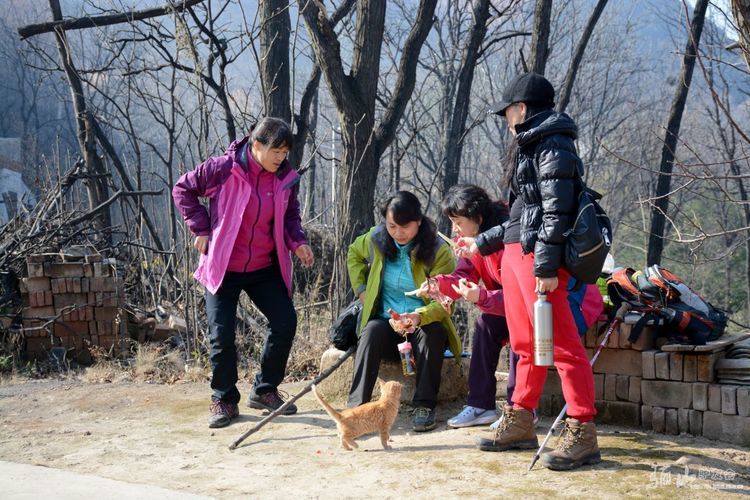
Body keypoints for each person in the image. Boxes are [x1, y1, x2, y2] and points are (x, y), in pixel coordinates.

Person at [471, 72, 603, 470]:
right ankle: (520, 420)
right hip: (517, 252)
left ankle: (582, 430)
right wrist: (482, 243)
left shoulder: (553, 142)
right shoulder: (530, 143)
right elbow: (521, 213)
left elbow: (556, 211)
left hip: (536, 259)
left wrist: (545, 266)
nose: (505, 120)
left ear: (522, 108)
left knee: (562, 345)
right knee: (523, 344)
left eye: (507, 112)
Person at [172, 117, 314, 428]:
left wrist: (298, 242)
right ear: (256, 145)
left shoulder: (285, 177)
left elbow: (290, 216)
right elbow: (182, 189)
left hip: (264, 266)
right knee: (222, 336)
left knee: (285, 321)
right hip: (224, 266)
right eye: (276, 151)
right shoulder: (224, 168)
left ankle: (264, 390)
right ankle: (224, 399)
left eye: (285, 152)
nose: (281, 158)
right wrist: (201, 228)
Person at [346, 191, 461, 432]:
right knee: (371, 330)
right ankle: (356, 407)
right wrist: (362, 290)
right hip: (388, 325)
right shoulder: (376, 239)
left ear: (418, 221)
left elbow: (446, 300)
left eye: (405, 226)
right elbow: (354, 254)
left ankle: (424, 406)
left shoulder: (438, 250)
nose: (398, 233)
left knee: (433, 333)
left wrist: (419, 316)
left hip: (422, 325)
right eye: (392, 226)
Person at [426, 184, 512, 428]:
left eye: (458, 222)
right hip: (505, 304)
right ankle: (481, 405)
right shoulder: (473, 242)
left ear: (478, 218)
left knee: (518, 331)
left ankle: (521, 410)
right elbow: (463, 276)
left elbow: (519, 296)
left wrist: (482, 297)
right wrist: (437, 284)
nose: (454, 229)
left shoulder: (511, 237)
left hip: (537, 307)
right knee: (485, 324)